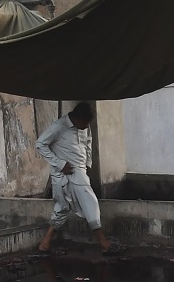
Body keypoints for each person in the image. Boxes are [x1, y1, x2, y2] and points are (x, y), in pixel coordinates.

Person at [35, 102, 115, 254]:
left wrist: (88, 163)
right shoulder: (58, 127)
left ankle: (45, 244)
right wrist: (59, 164)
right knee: (80, 205)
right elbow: (40, 144)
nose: (86, 127)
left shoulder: (85, 127)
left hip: (80, 172)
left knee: (71, 207)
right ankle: (104, 243)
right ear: (77, 119)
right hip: (63, 174)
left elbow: (88, 142)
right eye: (84, 123)